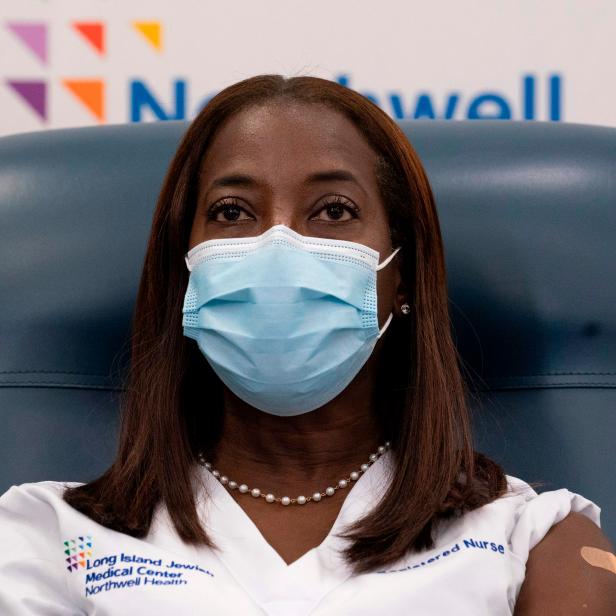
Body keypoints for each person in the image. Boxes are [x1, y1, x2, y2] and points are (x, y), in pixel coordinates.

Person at [0, 74, 614, 615]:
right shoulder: (44, 536)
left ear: (400, 273)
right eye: (233, 212)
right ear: (185, 270)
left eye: (334, 210)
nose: (278, 244)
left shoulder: (534, 541)